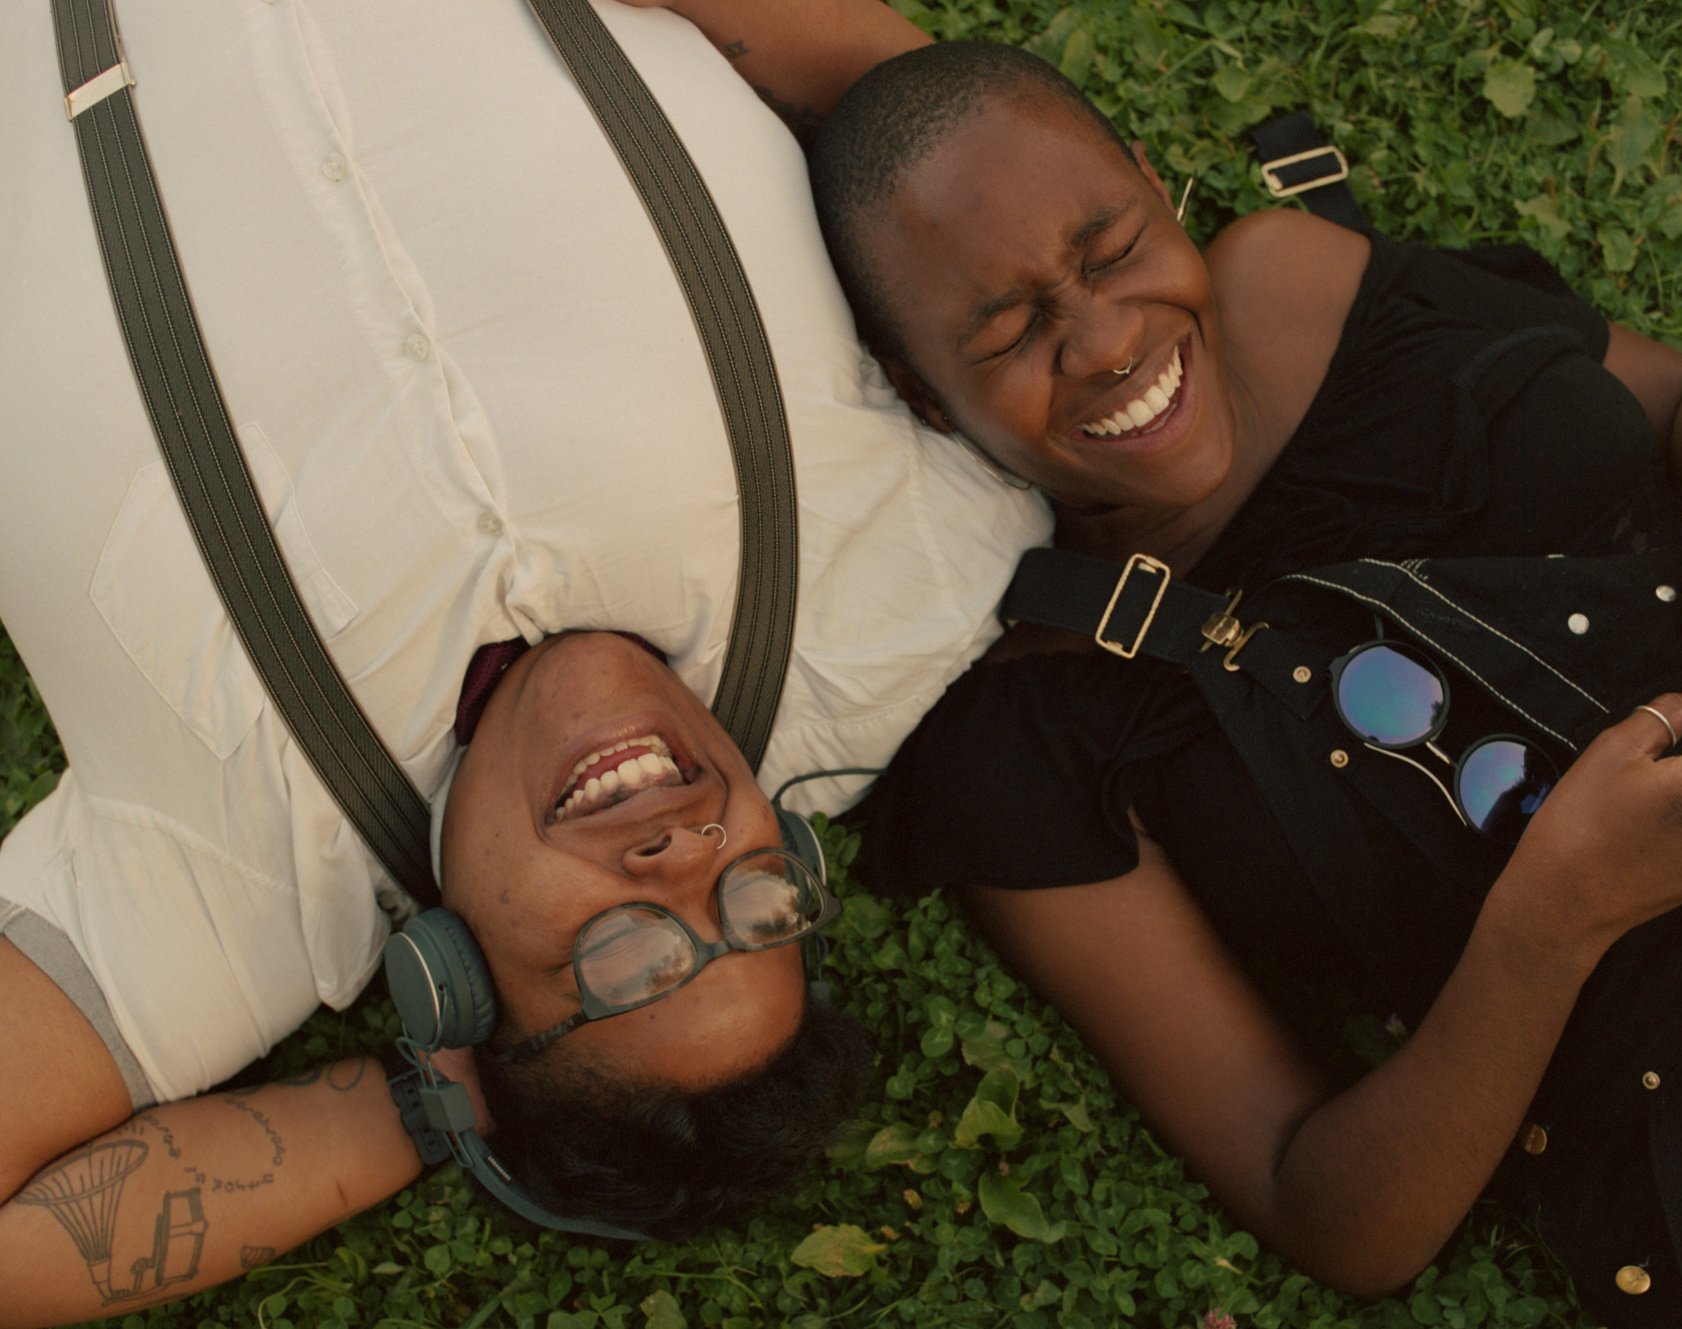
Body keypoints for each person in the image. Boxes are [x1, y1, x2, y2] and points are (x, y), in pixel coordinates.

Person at [0, 4, 1026, 1324]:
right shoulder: (893, 604)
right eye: (759, 907)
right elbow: (977, 149)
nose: (685, 860)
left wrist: (436, 1110)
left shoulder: (235, 887)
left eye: (623, 958)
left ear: (459, 986)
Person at [800, 42, 1682, 1329]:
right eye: (1010, 332)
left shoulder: (1302, 279)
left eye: (1109, 250)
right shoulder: (1027, 730)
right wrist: (1550, 924)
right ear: (924, 399)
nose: (1101, 344)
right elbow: (1324, 1207)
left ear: (1154, 184)